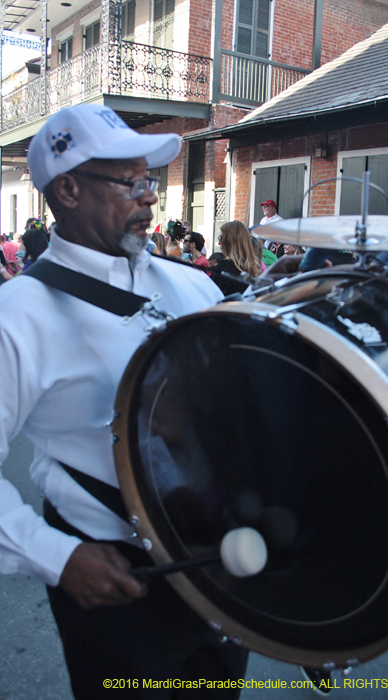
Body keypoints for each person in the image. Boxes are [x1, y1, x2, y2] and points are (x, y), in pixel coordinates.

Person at [0, 103, 248, 699]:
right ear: (68, 189)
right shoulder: (17, 317)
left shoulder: (194, 284)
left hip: (217, 560)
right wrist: (57, 558)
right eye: (132, 184)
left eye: (150, 183)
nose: (150, 199)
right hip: (112, 574)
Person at [211, 220, 262, 295]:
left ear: (230, 242)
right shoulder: (255, 268)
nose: (219, 243)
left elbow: (212, 295)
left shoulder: (224, 268)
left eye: (221, 238)